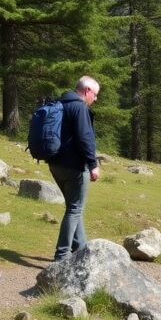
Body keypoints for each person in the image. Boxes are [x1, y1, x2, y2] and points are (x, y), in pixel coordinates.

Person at [47, 76, 101, 261]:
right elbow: (85, 138)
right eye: (95, 94)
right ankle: (62, 255)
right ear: (87, 91)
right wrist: (93, 165)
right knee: (75, 209)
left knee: (74, 207)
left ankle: (82, 250)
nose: (95, 99)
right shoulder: (79, 107)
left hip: (55, 165)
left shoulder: (61, 103)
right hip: (74, 167)